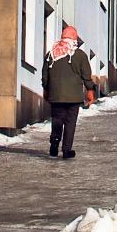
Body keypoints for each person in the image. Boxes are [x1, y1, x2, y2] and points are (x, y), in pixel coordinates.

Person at [42, 23, 94, 159]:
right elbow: (86, 75)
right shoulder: (80, 55)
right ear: (74, 39)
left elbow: (45, 75)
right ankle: (66, 150)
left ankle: (54, 142)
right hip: (74, 97)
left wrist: (46, 90)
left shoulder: (51, 54)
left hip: (56, 95)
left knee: (57, 120)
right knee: (70, 123)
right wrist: (90, 90)